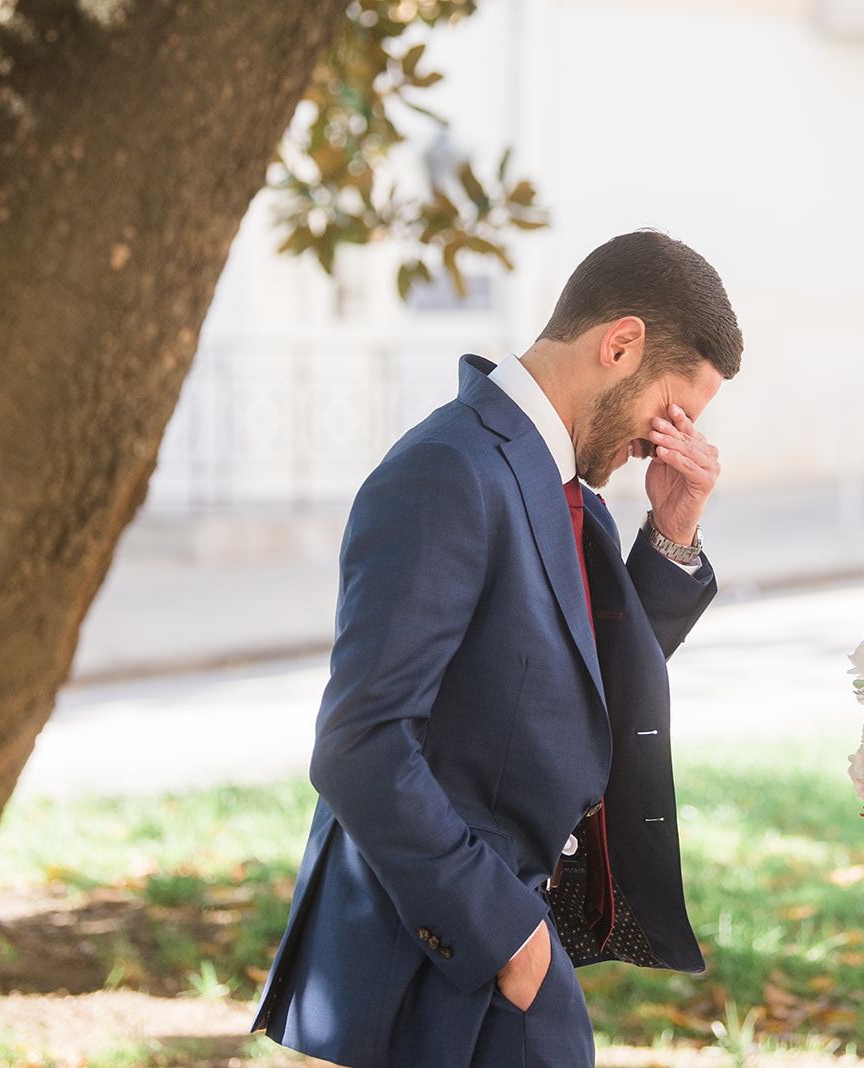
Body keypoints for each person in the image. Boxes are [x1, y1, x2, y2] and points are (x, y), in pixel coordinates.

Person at [251, 231, 743, 1067]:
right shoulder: (449, 469)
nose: (670, 437)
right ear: (618, 344)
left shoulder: (557, 483)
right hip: (448, 953)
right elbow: (360, 744)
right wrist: (507, 938)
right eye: (675, 407)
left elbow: (580, 679)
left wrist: (671, 531)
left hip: (502, 943)